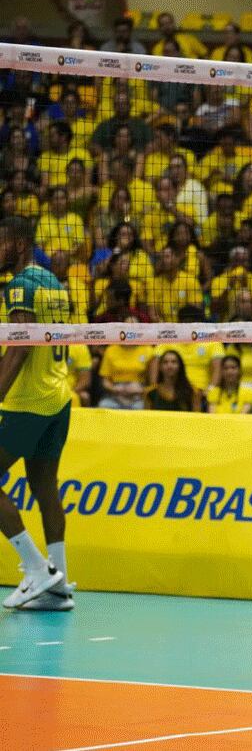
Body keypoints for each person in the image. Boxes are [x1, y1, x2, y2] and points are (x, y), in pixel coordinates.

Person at [0, 217, 74, 610]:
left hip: (28, 402)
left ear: (19, 243)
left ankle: (36, 570)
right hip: (59, 396)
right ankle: (59, 586)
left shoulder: (19, 286)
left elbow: (20, 346)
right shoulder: (54, 283)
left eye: (1, 243)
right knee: (45, 487)